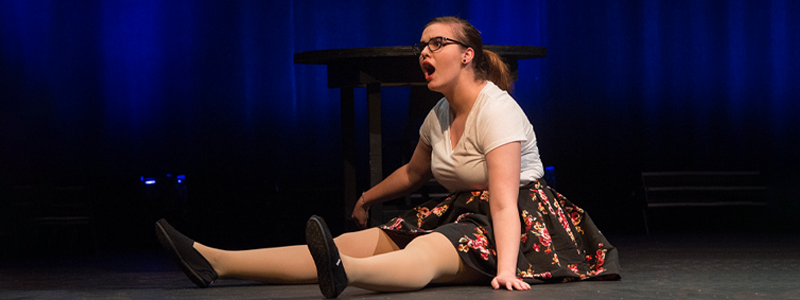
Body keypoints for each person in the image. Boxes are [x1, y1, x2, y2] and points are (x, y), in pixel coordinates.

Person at [155, 16, 621, 298]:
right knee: (355, 240)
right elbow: (414, 172)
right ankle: (214, 260)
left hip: (519, 218)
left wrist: (505, 271)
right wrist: (366, 197)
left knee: (427, 250)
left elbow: (502, 202)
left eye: (437, 43)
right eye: (422, 44)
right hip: (462, 210)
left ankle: (347, 276)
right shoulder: (440, 112)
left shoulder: (496, 108)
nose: (425, 51)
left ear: (467, 56)